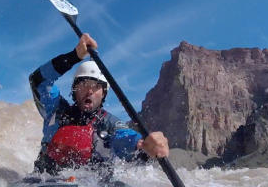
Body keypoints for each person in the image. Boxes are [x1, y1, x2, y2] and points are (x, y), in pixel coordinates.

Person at [29, 33, 169, 176]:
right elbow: (38, 80)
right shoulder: (56, 110)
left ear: (103, 94)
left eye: (96, 86)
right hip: (45, 181)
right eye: (83, 84)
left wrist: (145, 145)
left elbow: (125, 139)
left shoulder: (110, 124)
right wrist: (74, 56)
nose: (89, 91)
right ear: (74, 90)